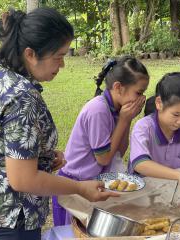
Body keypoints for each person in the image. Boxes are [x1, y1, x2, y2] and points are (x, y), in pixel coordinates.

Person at [0, 8, 118, 240]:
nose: (62, 66)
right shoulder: (22, 97)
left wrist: (42, 156)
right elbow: (23, 179)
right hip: (10, 219)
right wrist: (80, 189)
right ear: (30, 54)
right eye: (58, 57)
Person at [52, 56, 149, 226]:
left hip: (91, 185)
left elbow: (119, 151)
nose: (142, 98)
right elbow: (103, 158)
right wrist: (124, 120)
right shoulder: (98, 110)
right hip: (73, 188)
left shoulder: (117, 109)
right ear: (118, 87)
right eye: (139, 93)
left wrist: (126, 120)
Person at [128, 72, 180, 198]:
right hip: (139, 196)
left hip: (170, 196)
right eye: (176, 115)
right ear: (159, 103)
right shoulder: (143, 128)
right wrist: (178, 175)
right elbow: (140, 164)